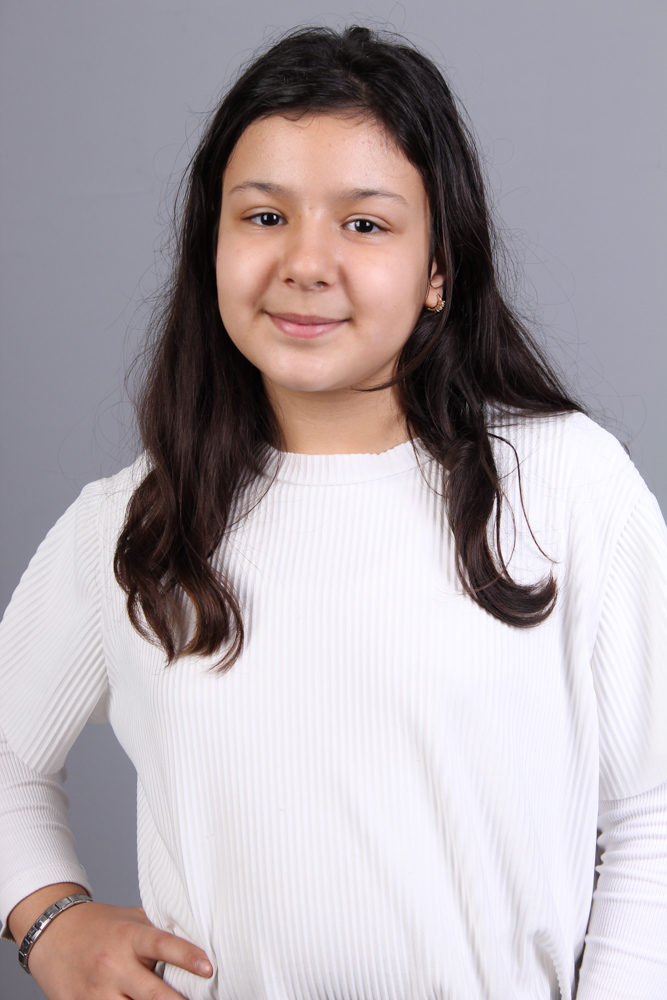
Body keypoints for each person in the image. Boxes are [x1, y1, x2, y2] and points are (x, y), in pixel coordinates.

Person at [0, 23, 666, 1000]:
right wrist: (49, 922)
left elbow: (653, 812)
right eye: (264, 216)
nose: (305, 263)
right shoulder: (137, 523)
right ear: (212, 244)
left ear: (438, 268)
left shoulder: (563, 486)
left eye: (364, 224)